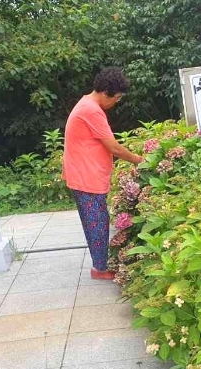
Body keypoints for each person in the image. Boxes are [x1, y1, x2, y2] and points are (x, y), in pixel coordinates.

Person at [62, 67, 144, 280]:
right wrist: (140, 160)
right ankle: (99, 269)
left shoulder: (87, 105)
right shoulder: (92, 111)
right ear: (106, 92)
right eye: (116, 98)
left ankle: (99, 265)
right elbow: (114, 148)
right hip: (86, 177)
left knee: (95, 221)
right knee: (97, 223)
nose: (116, 102)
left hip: (84, 174)